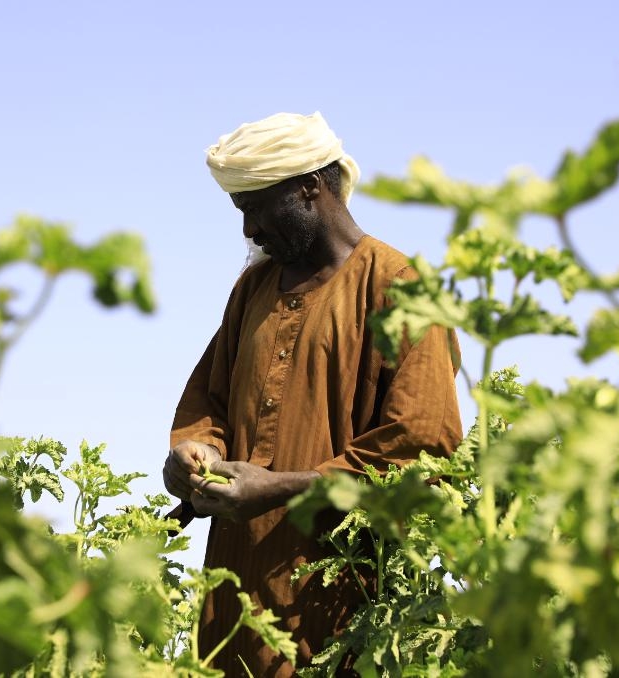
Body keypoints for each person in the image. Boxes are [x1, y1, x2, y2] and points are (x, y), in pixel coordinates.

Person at [164, 112, 463, 677]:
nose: (250, 231)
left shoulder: (402, 288)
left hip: (339, 604)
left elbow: (423, 447)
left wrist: (279, 489)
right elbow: (210, 399)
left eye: (256, 207)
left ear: (310, 186)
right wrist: (192, 455)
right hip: (237, 594)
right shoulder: (254, 287)